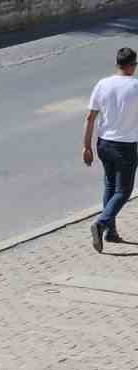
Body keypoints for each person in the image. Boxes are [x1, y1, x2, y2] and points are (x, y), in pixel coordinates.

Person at [84, 46, 138, 253]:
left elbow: (90, 117)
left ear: (117, 64)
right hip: (126, 147)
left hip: (104, 144)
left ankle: (111, 232)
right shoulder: (135, 86)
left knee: (109, 186)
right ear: (132, 66)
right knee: (123, 191)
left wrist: (86, 147)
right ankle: (101, 223)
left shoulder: (102, 84)